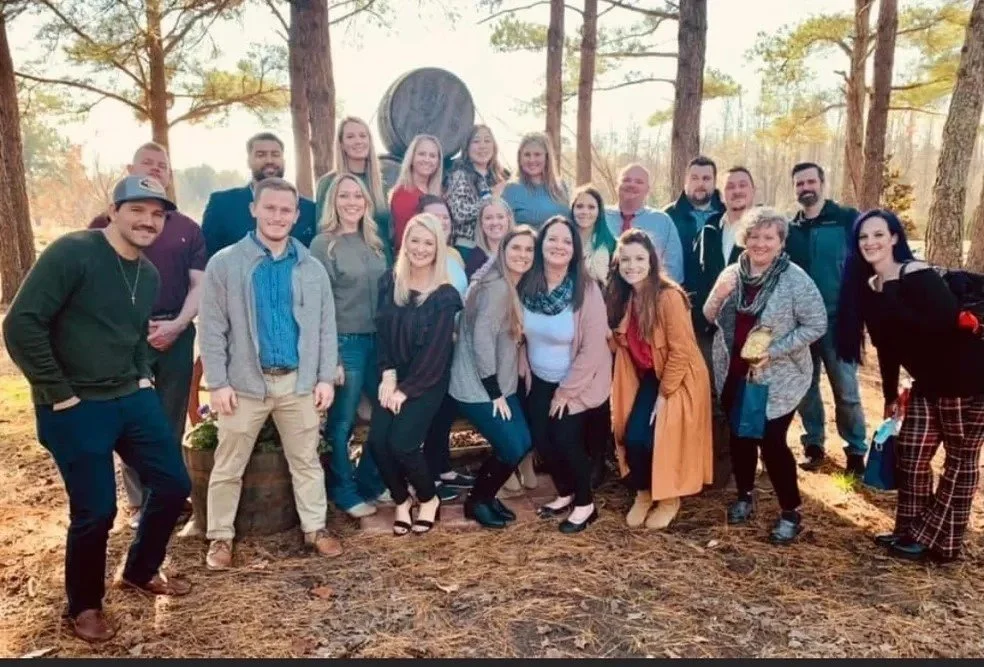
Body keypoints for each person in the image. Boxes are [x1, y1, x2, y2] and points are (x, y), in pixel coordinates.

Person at [3, 175, 193, 643]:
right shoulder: (74, 253)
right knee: (96, 510)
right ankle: (84, 605)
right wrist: (58, 391)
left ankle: (139, 570)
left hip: (130, 395)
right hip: (74, 403)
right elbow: (22, 324)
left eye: (158, 214)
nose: (148, 220)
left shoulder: (147, 273)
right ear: (114, 211)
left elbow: (132, 334)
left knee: (173, 484)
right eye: (138, 210)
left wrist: (143, 372)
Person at [199, 177, 343, 570]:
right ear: (254, 210)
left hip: (297, 382)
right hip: (245, 384)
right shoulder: (226, 264)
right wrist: (219, 382)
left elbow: (326, 326)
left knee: (306, 461)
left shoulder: (310, 268)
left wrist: (325, 377)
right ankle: (220, 537)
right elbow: (211, 328)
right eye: (270, 208)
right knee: (229, 464)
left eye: (286, 210)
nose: (278, 216)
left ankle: (315, 528)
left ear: (296, 215)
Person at [837, 210, 984, 563]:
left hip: (966, 379)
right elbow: (887, 348)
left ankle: (939, 543)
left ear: (894, 238)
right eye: (863, 237)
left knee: (961, 462)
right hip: (926, 383)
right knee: (912, 456)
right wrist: (890, 395)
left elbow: (945, 323)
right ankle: (909, 530)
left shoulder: (915, 274)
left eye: (878, 235)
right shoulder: (869, 288)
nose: (870, 242)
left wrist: (891, 297)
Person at [89, 142, 205, 528]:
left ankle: (167, 496)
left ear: (170, 176)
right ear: (130, 168)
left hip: (176, 332)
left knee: (170, 418)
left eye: (162, 166)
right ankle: (139, 502)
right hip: (125, 337)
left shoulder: (187, 228)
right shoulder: (101, 228)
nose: (156, 170)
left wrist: (176, 326)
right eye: (147, 164)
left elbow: (199, 285)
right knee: (129, 417)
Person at [703, 207, 827, 545]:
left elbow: (817, 324)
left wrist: (775, 349)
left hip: (777, 378)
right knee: (740, 438)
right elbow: (709, 314)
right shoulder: (733, 273)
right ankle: (745, 495)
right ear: (745, 239)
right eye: (754, 236)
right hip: (734, 372)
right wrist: (720, 294)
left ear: (781, 242)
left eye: (768, 237)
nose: (760, 243)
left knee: (772, 443)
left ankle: (791, 512)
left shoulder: (794, 279)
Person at [607, 229, 713, 529]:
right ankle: (644, 492)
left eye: (639, 258)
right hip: (651, 377)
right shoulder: (628, 296)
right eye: (625, 259)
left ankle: (669, 498)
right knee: (633, 436)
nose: (632, 265)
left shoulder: (668, 297)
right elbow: (631, 341)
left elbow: (681, 351)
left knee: (662, 438)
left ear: (652, 261)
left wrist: (665, 395)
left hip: (678, 378)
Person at [368, 213, 463, 535]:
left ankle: (428, 498)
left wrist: (404, 390)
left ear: (438, 248)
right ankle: (401, 500)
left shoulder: (445, 296)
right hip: (393, 376)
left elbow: (436, 354)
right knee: (378, 443)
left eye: (428, 242)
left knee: (403, 444)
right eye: (415, 240)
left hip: (427, 381)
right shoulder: (388, 282)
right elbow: (381, 334)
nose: (421, 248)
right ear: (405, 243)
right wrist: (388, 376)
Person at [518, 216, 612, 533]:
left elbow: (593, 348)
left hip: (578, 380)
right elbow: (520, 333)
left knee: (565, 439)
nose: (559, 246)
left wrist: (566, 392)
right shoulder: (528, 285)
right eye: (552, 239)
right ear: (541, 244)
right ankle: (565, 492)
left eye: (567, 241)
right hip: (540, 378)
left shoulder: (586, 290)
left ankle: (585, 504)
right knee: (541, 439)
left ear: (575, 250)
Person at [309, 174, 389, 519]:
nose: (352, 202)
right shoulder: (322, 244)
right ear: (333, 201)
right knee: (342, 422)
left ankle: (370, 479)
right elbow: (319, 306)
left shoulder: (374, 241)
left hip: (380, 342)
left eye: (358, 195)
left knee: (388, 414)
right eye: (345, 196)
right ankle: (342, 489)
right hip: (346, 342)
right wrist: (332, 358)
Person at [450, 227, 538, 528]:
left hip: (500, 384)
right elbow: (482, 339)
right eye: (516, 248)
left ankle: (485, 497)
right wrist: (494, 391)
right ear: (503, 251)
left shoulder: (512, 284)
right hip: (478, 386)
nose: (523, 255)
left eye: (529, 250)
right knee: (512, 446)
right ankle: (477, 500)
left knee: (523, 442)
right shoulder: (497, 287)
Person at [785, 162, 867, 475]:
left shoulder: (847, 219)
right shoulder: (790, 230)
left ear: (822, 183)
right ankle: (813, 443)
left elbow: (866, 260)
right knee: (806, 387)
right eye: (799, 183)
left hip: (839, 319)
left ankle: (856, 450)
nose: (805, 187)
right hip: (801, 323)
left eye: (810, 181)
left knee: (845, 389)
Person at [689, 165, 755, 488]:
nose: (736, 191)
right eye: (730, 187)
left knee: (740, 400)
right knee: (712, 399)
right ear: (722, 192)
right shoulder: (710, 230)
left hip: (748, 333)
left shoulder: (763, 230)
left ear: (752, 192)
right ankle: (714, 468)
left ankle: (739, 471)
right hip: (709, 330)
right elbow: (699, 278)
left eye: (743, 186)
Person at [416, 195, 474, 500]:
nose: (442, 222)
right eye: (434, 217)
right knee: (431, 408)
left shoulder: (453, 255)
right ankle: (427, 472)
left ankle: (442, 465)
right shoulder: (419, 256)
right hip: (433, 347)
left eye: (446, 217)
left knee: (446, 407)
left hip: (457, 344)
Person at [201, 132, 317, 259]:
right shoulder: (222, 205)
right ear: (249, 161)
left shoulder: (309, 209)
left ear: (283, 160)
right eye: (261, 155)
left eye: (275, 154)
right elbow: (207, 256)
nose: (269, 160)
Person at [571, 184, 618, 488]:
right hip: (569, 321)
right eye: (580, 206)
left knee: (598, 390)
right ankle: (577, 455)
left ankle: (598, 458)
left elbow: (615, 287)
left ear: (599, 212)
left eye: (591, 207)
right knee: (574, 384)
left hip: (600, 320)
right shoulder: (565, 239)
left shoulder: (609, 244)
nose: (585, 212)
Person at [314, 116, 392, 260]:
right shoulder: (328, 183)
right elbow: (322, 229)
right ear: (341, 144)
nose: (358, 141)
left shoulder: (382, 185)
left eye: (363, 136)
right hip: (347, 267)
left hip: (382, 263)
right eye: (350, 137)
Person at [603, 164, 684, 283]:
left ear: (648, 190)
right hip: (602, 295)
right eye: (626, 180)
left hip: (649, 295)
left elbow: (673, 270)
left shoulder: (662, 221)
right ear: (617, 186)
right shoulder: (599, 216)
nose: (632, 184)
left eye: (639, 182)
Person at [664, 155, 724, 299]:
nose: (700, 184)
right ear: (686, 181)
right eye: (694, 178)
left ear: (714, 182)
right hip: (679, 295)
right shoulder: (668, 216)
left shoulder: (726, 214)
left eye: (706, 178)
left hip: (720, 298)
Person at [445, 124, 509, 257]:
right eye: (476, 141)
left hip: (497, 246)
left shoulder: (499, 177)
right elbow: (459, 213)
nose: (482, 146)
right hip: (469, 247)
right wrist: (490, 198)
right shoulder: (460, 175)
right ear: (467, 147)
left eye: (487, 141)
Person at [389, 134, 444, 253]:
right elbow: (403, 238)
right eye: (422, 154)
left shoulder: (439, 193)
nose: (427, 159)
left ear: (438, 162)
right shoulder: (403, 194)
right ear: (411, 158)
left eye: (432, 156)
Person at [502, 132, 569, 228]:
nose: (532, 160)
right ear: (520, 157)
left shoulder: (561, 186)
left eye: (537, 154)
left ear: (547, 157)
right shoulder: (511, 189)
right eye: (527, 155)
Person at [464, 197, 516, 280]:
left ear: (508, 219)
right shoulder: (475, 258)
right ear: (481, 223)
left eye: (500, 217)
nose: (495, 222)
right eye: (488, 218)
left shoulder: (520, 252)